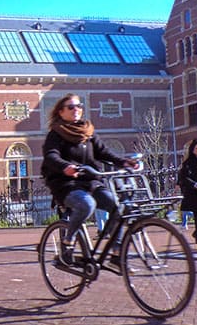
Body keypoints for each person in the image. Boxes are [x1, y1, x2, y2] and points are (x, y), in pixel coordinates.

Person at [41, 94, 137, 265]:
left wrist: (123, 161)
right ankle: (68, 240)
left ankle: (116, 252)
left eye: (79, 105)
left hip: (91, 182)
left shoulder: (87, 131)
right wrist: (65, 167)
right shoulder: (55, 134)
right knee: (87, 205)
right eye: (71, 107)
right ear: (61, 112)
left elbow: (103, 152)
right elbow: (51, 156)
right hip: (66, 184)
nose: (76, 109)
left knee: (117, 207)